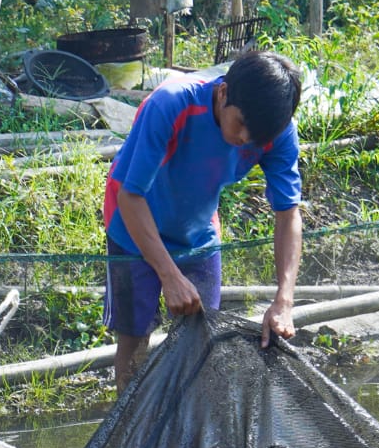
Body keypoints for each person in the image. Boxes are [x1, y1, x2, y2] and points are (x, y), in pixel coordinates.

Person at [103, 50, 304, 389]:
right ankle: (131, 429)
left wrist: (284, 300)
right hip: (134, 226)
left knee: (201, 338)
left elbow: (288, 213)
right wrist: (169, 275)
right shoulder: (171, 104)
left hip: (197, 232)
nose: (244, 140)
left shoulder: (276, 131)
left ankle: (190, 434)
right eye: (241, 125)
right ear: (223, 93)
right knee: (135, 338)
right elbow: (130, 195)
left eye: (256, 137)